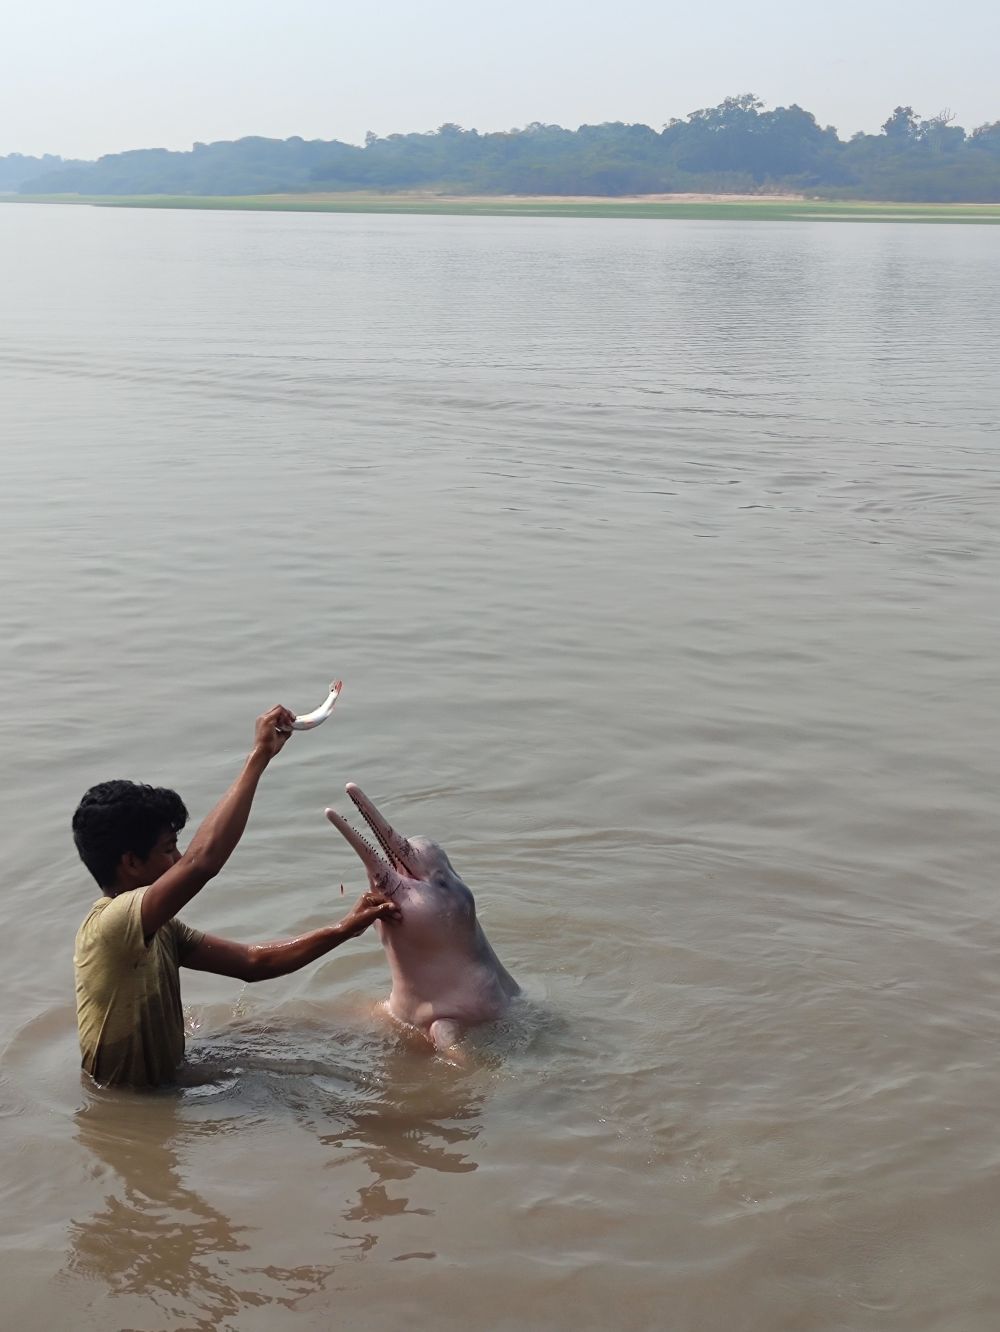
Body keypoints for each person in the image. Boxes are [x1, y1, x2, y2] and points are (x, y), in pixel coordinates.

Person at [72, 704, 401, 1089]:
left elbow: (253, 962)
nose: (177, 859)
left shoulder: (161, 929)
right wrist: (259, 757)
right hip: (127, 1100)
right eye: (168, 849)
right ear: (130, 862)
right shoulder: (111, 926)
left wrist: (345, 928)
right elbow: (201, 862)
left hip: (165, 1086)